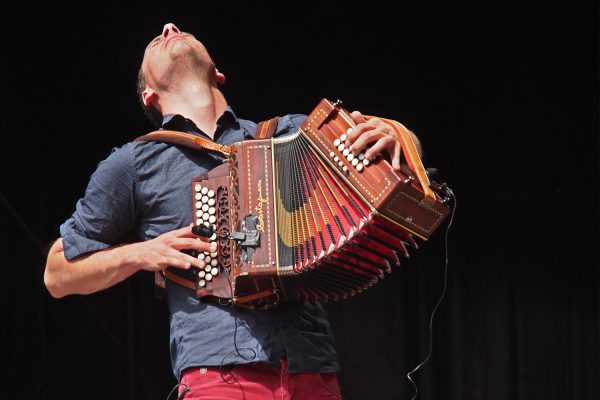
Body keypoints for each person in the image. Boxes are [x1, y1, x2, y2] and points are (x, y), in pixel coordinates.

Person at [44, 22, 421, 399]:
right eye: (154, 40)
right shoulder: (133, 164)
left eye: (177, 29)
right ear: (148, 95)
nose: (169, 27)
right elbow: (57, 274)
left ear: (218, 73)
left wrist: (399, 135)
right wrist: (142, 253)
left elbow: (401, 164)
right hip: (217, 375)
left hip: (312, 367)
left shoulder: (287, 135)